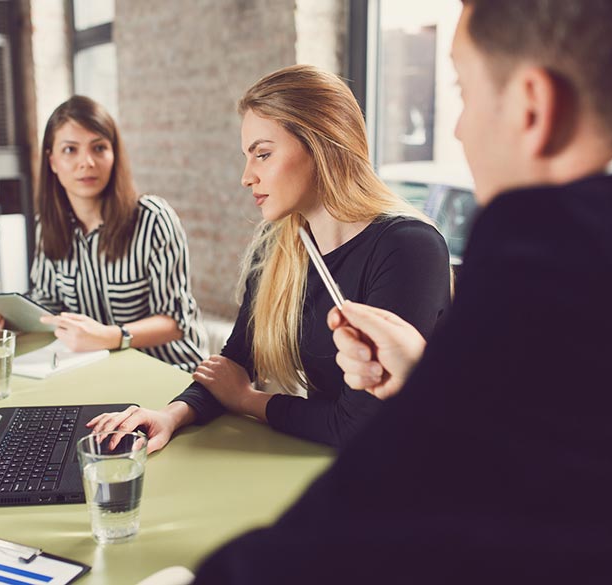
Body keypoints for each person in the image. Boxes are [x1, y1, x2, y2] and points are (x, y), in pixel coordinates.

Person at [188, 0, 612, 582]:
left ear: (533, 108)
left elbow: (397, 517)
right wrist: (424, 378)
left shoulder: (560, 248)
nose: (459, 128)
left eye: (463, 92)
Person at [89, 65, 452, 451]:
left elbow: (358, 425)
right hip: (326, 463)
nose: (247, 176)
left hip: (410, 472)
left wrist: (248, 401)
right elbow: (236, 361)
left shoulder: (409, 248)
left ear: (323, 143)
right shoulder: (280, 244)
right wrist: (171, 414)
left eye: (262, 154)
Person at [0, 96, 207, 372]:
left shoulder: (153, 219)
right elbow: (48, 303)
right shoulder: (49, 224)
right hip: (101, 368)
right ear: (52, 160)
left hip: (172, 371)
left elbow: (176, 321)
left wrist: (112, 336)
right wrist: (4, 320)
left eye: (99, 148)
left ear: (114, 155)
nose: (87, 162)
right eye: (70, 150)